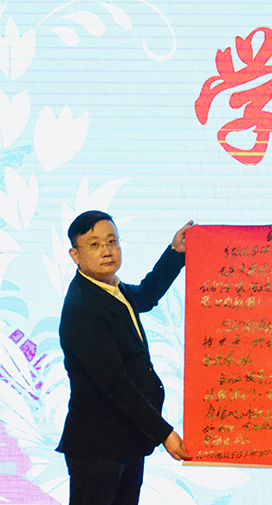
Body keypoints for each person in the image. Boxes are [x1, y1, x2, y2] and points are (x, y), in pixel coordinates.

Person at [57, 210, 194, 505]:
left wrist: (176, 253)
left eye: (112, 241)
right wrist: (164, 433)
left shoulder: (110, 289)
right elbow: (115, 385)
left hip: (126, 440)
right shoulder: (83, 308)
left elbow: (146, 294)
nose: (106, 251)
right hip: (97, 447)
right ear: (75, 255)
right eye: (94, 245)